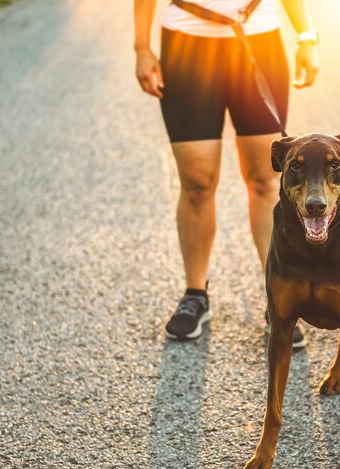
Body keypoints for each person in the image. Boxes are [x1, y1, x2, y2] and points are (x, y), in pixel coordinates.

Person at [133, 0, 319, 346]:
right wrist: (142, 47)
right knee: (197, 184)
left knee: (265, 180)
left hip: (259, 41)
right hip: (187, 44)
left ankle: (278, 296)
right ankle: (195, 295)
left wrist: (307, 37)